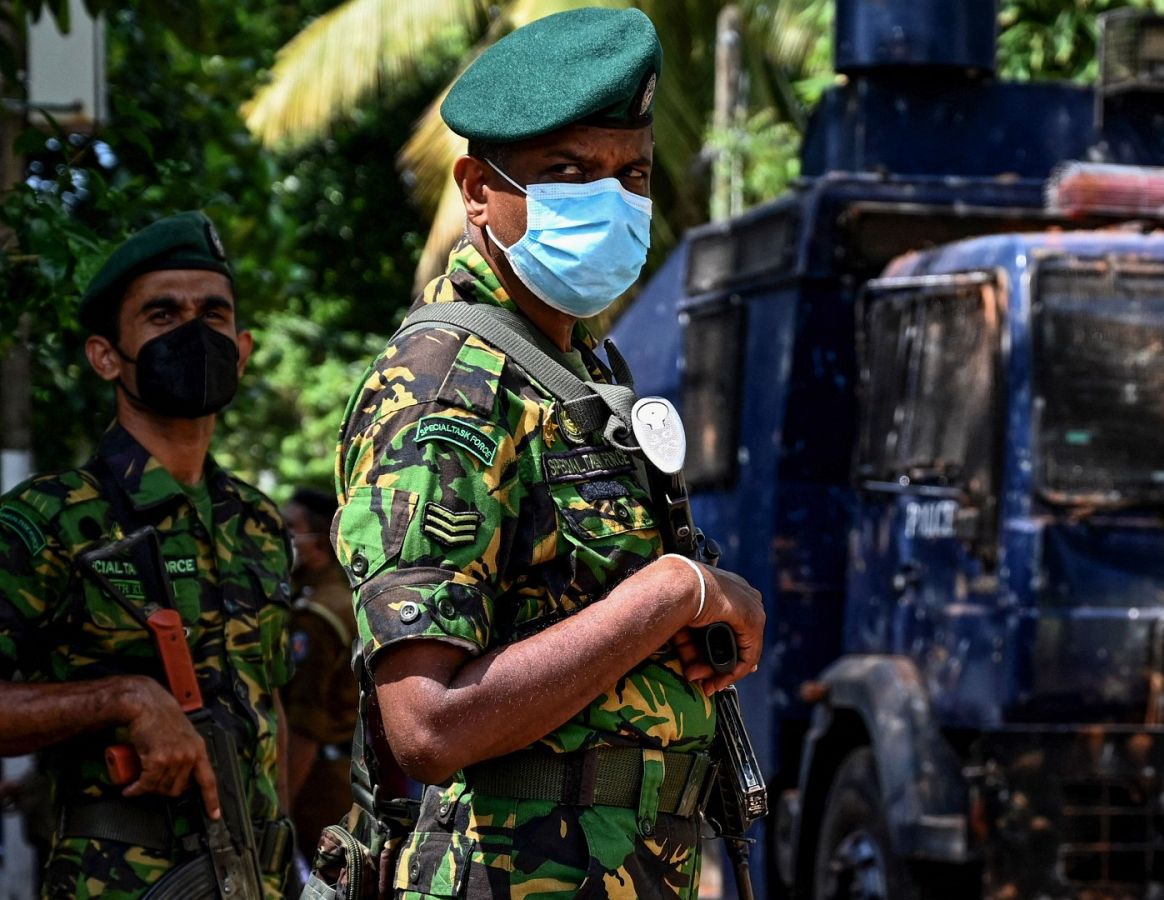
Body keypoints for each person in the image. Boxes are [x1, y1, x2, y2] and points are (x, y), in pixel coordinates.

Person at [331, 8, 765, 898]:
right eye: (568, 173)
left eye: (631, 173)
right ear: (477, 190)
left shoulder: (581, 366)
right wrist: (669, 592)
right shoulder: (447, 382)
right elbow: (427, 725)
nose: (608, 198)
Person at [0, 211, 296, 898]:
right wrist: (120, 697)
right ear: (106, 355)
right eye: (163, 314)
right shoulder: (48, 520)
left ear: (243, 348)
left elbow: (268, 706)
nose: (194, 332)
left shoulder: (256, 519)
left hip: (260, 876)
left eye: (212, 314)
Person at [279, 488, 357, 866]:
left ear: (318, 540)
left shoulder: (318, 616)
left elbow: (305, 723)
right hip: (342, 774)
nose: (282, 536)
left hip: (316, 782)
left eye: (291, 528)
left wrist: (279, 809)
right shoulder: (338, 596)